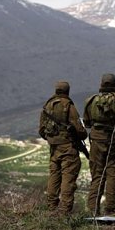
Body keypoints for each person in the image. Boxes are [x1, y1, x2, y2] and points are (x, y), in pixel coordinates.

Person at [39, 81, 87, 215]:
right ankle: (65, 210)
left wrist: (53, 140)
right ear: (68, 91)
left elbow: (42, 130)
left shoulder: (47, 106)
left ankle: (51, 206)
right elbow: (79, 129)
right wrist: (82, 135)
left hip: (53, 148)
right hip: (68, 148)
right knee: (68, 177)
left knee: (54, 175)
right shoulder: (68, 105)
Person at [83, 73, 115, 216]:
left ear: (101, 83)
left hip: (97, 141)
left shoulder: (90, 101)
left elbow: (87, 123)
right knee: (114, 173)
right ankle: (110, 209)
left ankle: (92, 210)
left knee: (97, 175)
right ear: (114, 83)